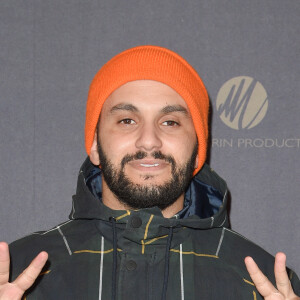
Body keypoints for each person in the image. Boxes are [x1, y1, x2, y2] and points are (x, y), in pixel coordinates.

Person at [0, 45, 299, 300]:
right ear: (94, 145)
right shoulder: (18, 272)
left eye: (170, 122)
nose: (148, 140)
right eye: (127, 120)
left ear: (197, 150)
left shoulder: (266, 283)